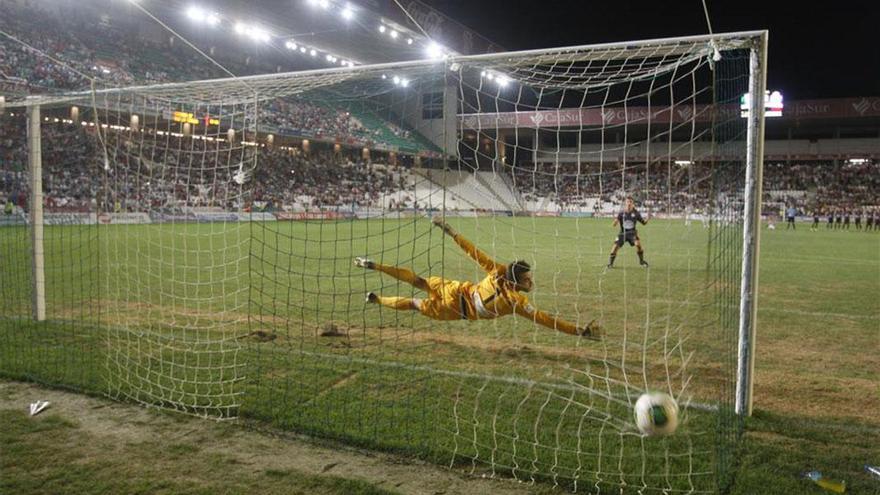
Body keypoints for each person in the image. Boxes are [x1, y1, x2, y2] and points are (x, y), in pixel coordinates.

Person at [355, 217, 601, 339]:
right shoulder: (517, 302)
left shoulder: (497, 271)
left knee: (418, 281)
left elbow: (473, 252)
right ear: (516, 283)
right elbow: (546, 320)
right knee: (412, 303)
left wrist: (451, 232)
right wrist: (578, 331)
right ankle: (376, 299)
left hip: (456, 289)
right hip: (454, 308)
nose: (531, 282)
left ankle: (374, 265)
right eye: (527, 279)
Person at [607, 196, 649, 268]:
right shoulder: (621, 213)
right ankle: (611, 264)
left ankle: (641, 261)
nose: (629, 203)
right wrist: (614, 222)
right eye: (627, 202)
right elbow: (615, 224)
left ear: (633, 203)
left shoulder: (636, 213)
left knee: (638, 245)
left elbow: (643, 223)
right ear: (625, 203)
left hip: (632, 233)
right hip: (622, 233)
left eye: (630, 202)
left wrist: (648, 218)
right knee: (614, 249)